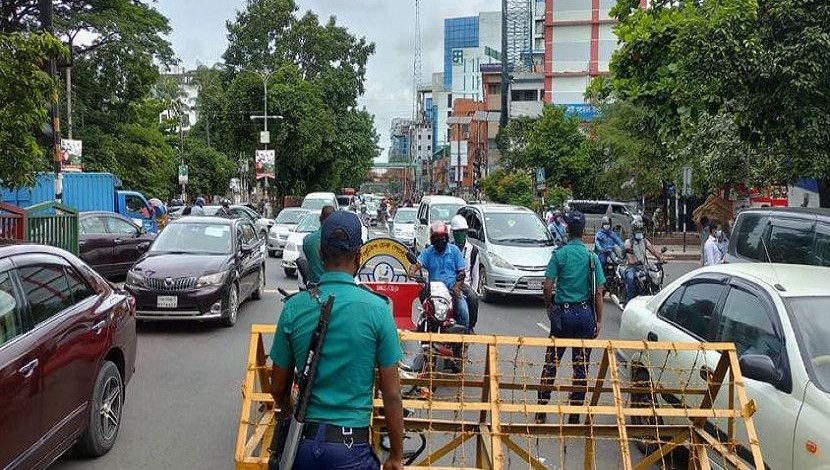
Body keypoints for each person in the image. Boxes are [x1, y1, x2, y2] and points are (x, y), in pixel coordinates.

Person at [269, 211, 404, 470]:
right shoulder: (378, 310)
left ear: (320, 254)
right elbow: (392, 394)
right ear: (359, 255)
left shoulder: (294, 307)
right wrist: (396, 456)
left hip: (302, 446)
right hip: (352, 449)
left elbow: (277, 387)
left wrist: (290, 413)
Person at [537, 210, 605, 424]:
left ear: (567, 230)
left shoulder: (560, 254)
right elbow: (599, 292)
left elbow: (548, 285)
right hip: (585, 314)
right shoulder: (591, 257)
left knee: (551, 361)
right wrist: (599, 320)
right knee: (581, 365)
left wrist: (550, 306)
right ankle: (574, 413)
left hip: (563, 315)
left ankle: (541, 409)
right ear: (584, 232)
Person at [409, 222, 470, 329]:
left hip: (452, 289)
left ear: (446, 237)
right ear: (432, 239)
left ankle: (464, 338)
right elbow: (416, 265)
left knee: (463, 309)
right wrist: (413, 272)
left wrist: (456, 287)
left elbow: (461, 272)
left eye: (442, 237)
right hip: (434, 292)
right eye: (436, 237)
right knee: (425, 309)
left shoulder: (455, 251)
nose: (440, 240)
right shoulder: (428, 252)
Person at [623, 217, 664, 303]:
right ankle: (628, 302)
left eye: (640, 230)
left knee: (652, 278)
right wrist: (633, 261)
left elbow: (652, 251)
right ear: (633, 231)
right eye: (637, 230)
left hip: (643, 266)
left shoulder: (644, 241)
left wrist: (660, 258)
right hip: (631, 267)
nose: (639, 232)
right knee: (630, 278)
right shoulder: (628, 242)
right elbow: (629, 256)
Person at [450, 215, 480, 331]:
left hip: (465, 284)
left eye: (463, 231)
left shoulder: (473, 250)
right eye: (457, 232)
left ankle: (470, 327)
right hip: (450, 282)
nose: (460, 234)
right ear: (453, 233)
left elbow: (475, 274)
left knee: (472, 299)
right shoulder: (448, 248)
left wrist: (474, 290)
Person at [302, 205, 337, 285]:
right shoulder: (338, 240)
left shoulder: (308, 239)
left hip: (313, 289)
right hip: (332, 287)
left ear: (320, 219)